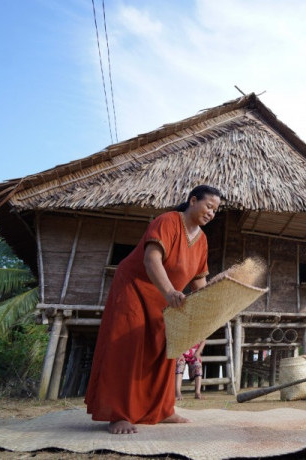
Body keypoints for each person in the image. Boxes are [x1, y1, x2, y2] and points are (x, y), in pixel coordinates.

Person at [85, 185, 222, 434]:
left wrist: (209, 310)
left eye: (215, 211)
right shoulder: (168, 221)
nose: (211, 213)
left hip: (167, 298)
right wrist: (170, 292)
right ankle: (119, 414)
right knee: (129, 345)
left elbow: (199, 281)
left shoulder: (201, 240)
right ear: (193, 201)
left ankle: (161, 410)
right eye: (209, 206)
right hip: (135, 287)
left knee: (164, 349)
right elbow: (152, 259)